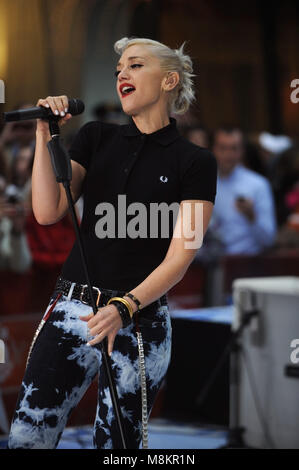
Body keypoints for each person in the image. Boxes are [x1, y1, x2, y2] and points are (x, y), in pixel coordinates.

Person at [7, 36, 217, 449]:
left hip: (140, 318)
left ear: (170, 80)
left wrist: (125, 306)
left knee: (118, 446)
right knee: (28, 435)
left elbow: (182, 255)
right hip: (73, 307)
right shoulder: (96, 136)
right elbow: (47, 211)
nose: (123, 72)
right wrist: (43, 132)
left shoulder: (194, 162)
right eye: (120, 67)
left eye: (136, 65)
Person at [210, 126, 276, 255]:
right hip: (211, 262)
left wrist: (252, 216)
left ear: (242, 151)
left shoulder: (258, 185)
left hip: (248, 263)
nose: (228, 154)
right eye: (223, 148)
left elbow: (269, 239)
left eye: (234, 148)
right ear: (213, 149)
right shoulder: (203, 183)